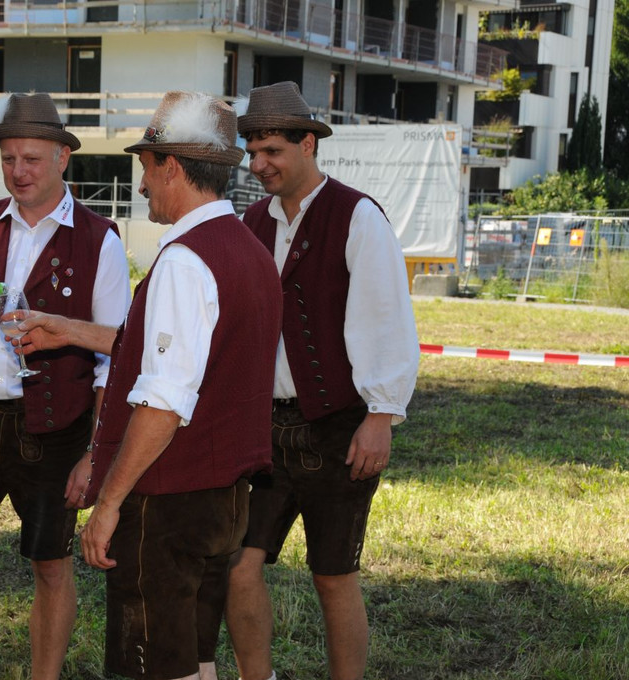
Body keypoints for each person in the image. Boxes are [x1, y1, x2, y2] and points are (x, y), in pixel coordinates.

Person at [0, 92, 131, 680]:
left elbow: (116, 352)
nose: (18, 172)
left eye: (32, 158)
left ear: (64, 157)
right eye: (9, 159)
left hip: (55, 429)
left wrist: (96, 451)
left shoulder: (99, 240)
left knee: (51, 564)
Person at [79, 91, 283, 680]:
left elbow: (164, 402)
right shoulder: (249, 250)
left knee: (152, 665)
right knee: (194, 658)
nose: (141, 184)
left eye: (146, 167)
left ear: (171, 165)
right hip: (223, 499)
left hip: (166, 502)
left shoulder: (186, 259)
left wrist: (109, 502)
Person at [224, 81, 420, 680]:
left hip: (338, 427)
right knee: (238, 566)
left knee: (333, 576)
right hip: (264, 430)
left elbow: (386, 318)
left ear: (309, 144)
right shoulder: (251, 221)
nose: (259, 166)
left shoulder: (357, 215)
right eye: (253, 153)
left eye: (272, 152)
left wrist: (380, 416)